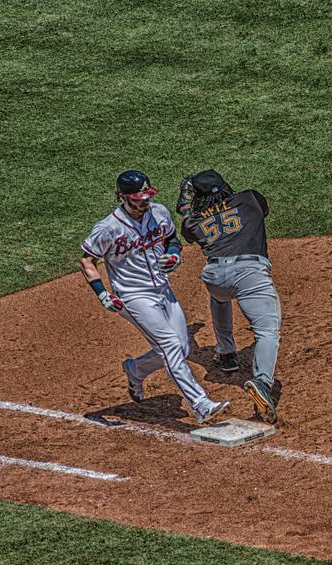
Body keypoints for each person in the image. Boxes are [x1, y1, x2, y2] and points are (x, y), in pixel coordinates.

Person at [80, 169, 230, 424]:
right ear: (122, 197)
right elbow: (87, 260)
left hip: (163, 288)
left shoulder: (158, 212)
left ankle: (135, 369)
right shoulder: (108, 228)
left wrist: (174, 255)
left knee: (181, 348)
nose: (144, 203)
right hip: (132, 296)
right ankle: (200, 404)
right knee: (170, 345)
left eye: (146, 196)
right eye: (138, 199)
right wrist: (103, 294)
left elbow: (172, 239)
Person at [177, 169, 282, 424]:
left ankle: (226, 354)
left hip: (215, 278)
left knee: (220, 298)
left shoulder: (194, 221)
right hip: (249, 275)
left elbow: (187, 224)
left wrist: (186, 206)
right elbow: (259, 211)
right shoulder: (250, 199)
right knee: (267, 331)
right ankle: (263, 383)